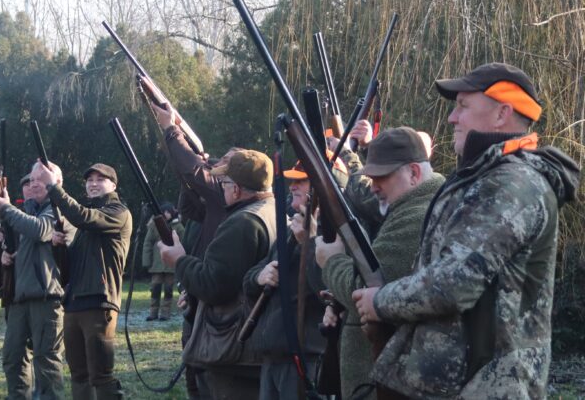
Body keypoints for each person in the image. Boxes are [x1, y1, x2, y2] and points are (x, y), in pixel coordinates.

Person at [352, 63, 580, 398]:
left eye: (463, 105)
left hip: (487, 388)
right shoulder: (481, 179)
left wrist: (381, 301)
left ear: (502, 113)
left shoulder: (511, 183)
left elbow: (453, 284)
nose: (451, 118)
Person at [314, 127, 445, 399]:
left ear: (414, 173)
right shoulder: (414, 208)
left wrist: (331, 261)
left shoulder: (416, 216)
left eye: (381, 177)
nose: (373, 187)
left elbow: (367, 291)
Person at [158, 149, 276, 400]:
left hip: (233, 349)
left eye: (224, 183)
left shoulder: (242, 222)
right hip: (255, 342)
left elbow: (213, 285)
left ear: (236, 190)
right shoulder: (273, 211)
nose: (221, 188)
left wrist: (179, 260)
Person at [38, 162, 132, 400]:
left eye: (100, 179)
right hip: (74, 303)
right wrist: (58, 246)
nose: (93, 184)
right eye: (90, 180)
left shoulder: (118, 212)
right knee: (79, 373)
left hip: (100, 301)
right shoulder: (85, 224)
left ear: (113, 185)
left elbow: (84, 217)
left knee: (101, 373)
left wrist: (53, 187)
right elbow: (68, 269)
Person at [242, 158, 328, 399]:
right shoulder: (290, 228)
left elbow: (328, 290)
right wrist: (259, 277)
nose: (292, 187)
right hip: (274, 357)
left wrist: (310, 243)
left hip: (307, 360)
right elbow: (249, 278)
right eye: (293, 181)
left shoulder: (334, 235)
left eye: (302, 181)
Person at [0, 163, 67, 400]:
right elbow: (15, 244)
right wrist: (5, 254)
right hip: (19, 297)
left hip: (47, 298)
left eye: (40, 178)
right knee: (12, 358)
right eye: (31, 179)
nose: (34, 183)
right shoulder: (25, 212)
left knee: (46, 362)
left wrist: (6, 209)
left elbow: (41, 229)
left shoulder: (59, 210)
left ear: (57, 182)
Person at [142, 202, 185, 321]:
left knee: (168, 289)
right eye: (164, 211)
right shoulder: (154, 225)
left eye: (168, 211)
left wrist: (181, 262)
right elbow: (147, 243)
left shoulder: (178, 227)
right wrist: (146, 261)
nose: (166, 214)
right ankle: (153, 312)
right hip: (157, 263)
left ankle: (165, 313)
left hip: (172, 264)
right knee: (155, 288)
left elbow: (184, 244)